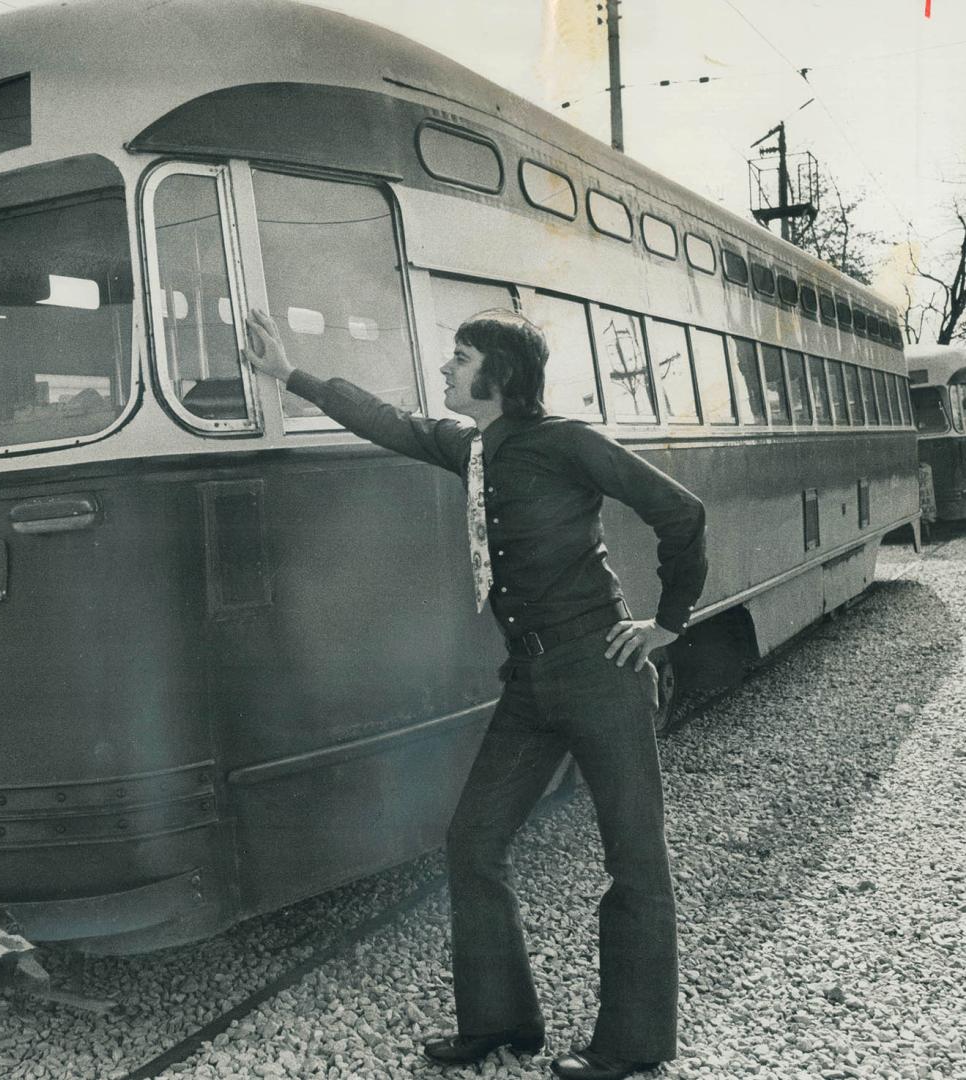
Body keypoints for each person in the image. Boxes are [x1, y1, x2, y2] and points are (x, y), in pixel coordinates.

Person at [241, 308, 707, 1080]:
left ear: (503, 374)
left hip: (600, 672)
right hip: (528, 682)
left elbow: (681, 512)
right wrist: (288, 374)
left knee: (633, 857)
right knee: (473, 841)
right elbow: (386, 421)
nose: (447, 370)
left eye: (460, 359)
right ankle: (499, 1023)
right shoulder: (472, 447)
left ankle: (634, 1042)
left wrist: (670, 621)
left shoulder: (568, 442)